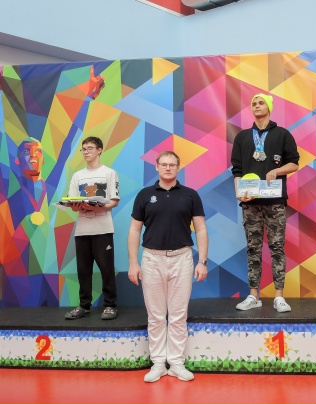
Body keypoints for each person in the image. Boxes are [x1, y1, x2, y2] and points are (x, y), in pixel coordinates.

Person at [127, 151, 209, 383]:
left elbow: (201, 229)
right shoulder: (145, 195)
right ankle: (158, 364)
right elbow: (134, 230)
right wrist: (133, 263)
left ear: (178, 168)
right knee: (155, 315)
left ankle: (176, 364)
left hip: (182, 259)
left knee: (178, 315)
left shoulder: (190, 195)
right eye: (163, 164)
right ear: (156, 167)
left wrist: (202, 261)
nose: (168, 168)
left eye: (172, 165)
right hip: (152, 259)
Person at [231, 93, 300, 312]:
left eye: (261, 103)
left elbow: (294, 163)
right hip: (250, 203)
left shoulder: (282, 134)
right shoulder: (242, 137)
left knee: (277, 247)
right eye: (254, 103)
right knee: (253, 248)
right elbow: (237, 170)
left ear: (269, 107)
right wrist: (238, 192)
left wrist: (276, 171)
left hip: (275, 201)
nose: (257, 106)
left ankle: (279, 296)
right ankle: (254, 296)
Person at [64, 136, 120, 320]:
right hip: (82, 229)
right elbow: (73, 203)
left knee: (106, 269)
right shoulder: (77, 176)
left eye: (90, 148)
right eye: (84, 149)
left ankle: (110, 305)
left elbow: (114, 201)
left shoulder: (109, 173)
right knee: (83, 270)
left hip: (103, 229)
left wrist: (98, 207)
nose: (86, 152)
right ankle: (84, 306)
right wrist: (75, 205)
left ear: (99, 150)